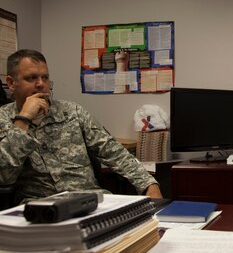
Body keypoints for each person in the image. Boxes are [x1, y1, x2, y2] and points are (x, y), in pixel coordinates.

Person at [0, 49, 162, 204]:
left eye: (45, 77)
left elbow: (114, 152)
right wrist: (23, 119)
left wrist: (149, 184)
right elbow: (4, 176)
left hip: (91, 200)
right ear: (11, 83)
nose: (41, 84)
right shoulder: (3, 119)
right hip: (43, 208)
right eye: (31, 78)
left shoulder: (72, 112)